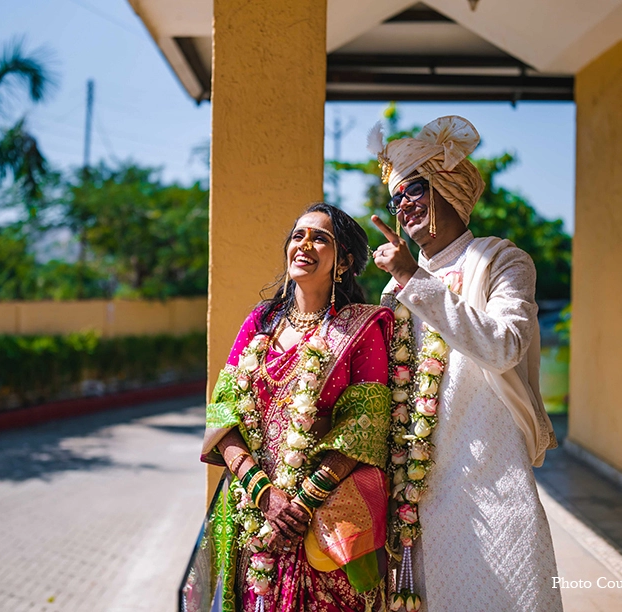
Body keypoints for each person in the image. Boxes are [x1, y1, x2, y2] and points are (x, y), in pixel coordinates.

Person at [368, 116, 562, 611]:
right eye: (396, 197)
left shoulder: (502, 261)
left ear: (448, 189)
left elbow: (504, 346)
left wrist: (415, 278)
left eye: (414, 189)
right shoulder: (395, 289)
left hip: (492, 476)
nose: (403, 204)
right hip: (419, 488)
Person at [201, 203, 394, 612]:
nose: (304, 244)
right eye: (298, 235)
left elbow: (366, 425)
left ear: (342, 261)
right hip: (257, 517)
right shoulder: (260, 322)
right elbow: (223, 414)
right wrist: (264, 494)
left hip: (324, 524)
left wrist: (301, 504)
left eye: (320, 238)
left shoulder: (361, 327)